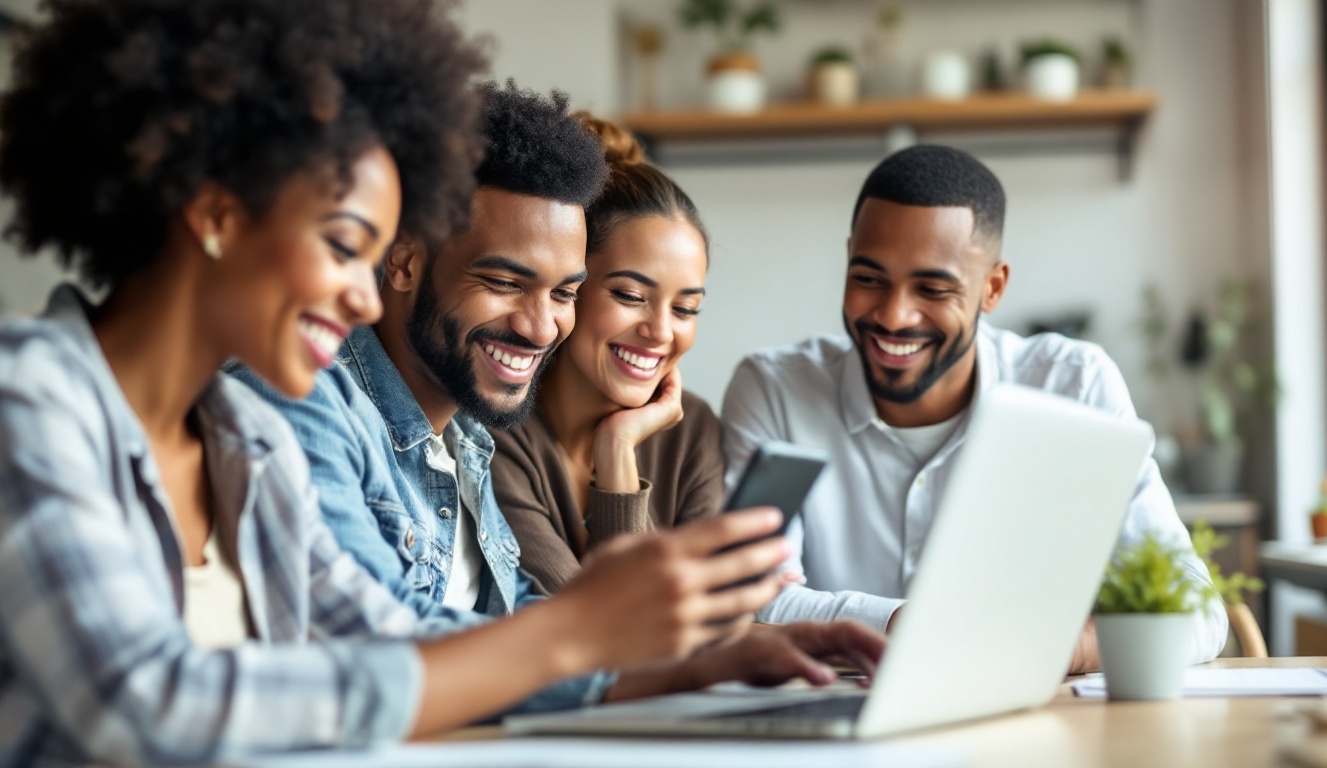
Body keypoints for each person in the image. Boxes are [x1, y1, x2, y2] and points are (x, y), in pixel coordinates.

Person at [0, 3, 872, 765]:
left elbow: (397, 649)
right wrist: (574, 631)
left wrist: (695, 666)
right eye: (347, 246)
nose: (363, 288)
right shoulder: (29, 401)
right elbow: (144, 705)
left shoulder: (240, 434)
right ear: (219, 213)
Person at [229, 80, 883, 718]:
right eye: (505, 281)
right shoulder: (306, 401)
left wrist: (727, 655)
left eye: (565, 293)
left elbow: (520, 638)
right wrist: (618, 629)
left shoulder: (465, 439)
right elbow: (380, 655)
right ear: (403, 262)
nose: (542, 326)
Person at [719, 144, 1228, 668]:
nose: (894, 316)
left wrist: (1059, 649)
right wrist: (906, 627)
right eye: (869, 279)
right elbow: (744, 600)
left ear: (993, 287)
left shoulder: (1074, 386)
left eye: (933, 288)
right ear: (848, 258)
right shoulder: (774, 390)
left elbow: (1197, 611)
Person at [488, 115, 720, 594]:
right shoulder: (497, 430)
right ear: (571, 288)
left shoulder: (691, 428)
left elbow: (720, 615)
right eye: (631, 296)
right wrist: (616, 450)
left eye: (685, 308)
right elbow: (603, 635)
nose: (659, 331)